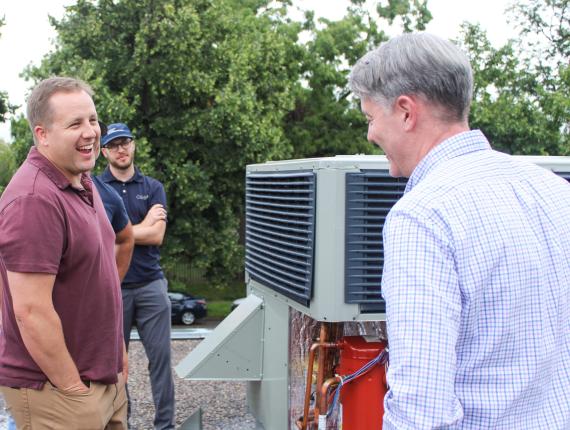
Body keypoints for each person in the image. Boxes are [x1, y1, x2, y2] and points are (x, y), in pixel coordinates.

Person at [349, 33, 570, 429]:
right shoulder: (555, 190)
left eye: (370, 118)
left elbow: (422, 408)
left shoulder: (422, 218)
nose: (370, 134)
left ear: (405, 111)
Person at [0, 77, 127, 429]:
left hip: (102, 380)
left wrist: (119, 358)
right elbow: (30, 312)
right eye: (75, 123)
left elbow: (98, 279)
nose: (90, 132)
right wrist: (74, 390)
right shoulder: (34, 200)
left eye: (92, 119)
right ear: (42, 134)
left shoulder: (81, 181)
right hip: (57, 391)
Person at [98, 123, 175, 430]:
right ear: (104, 151)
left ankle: (165, 425)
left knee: (162, 363)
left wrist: (125, 232)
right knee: (115, 366)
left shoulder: (153, 186)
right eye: (114, 144)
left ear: (133, 146)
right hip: (113, 286)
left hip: (151, 285)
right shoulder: (95, 188)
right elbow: (101, 237)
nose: (121, 149)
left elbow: (156, 236)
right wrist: (141, 225)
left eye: (126, 142)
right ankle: (121, 423)